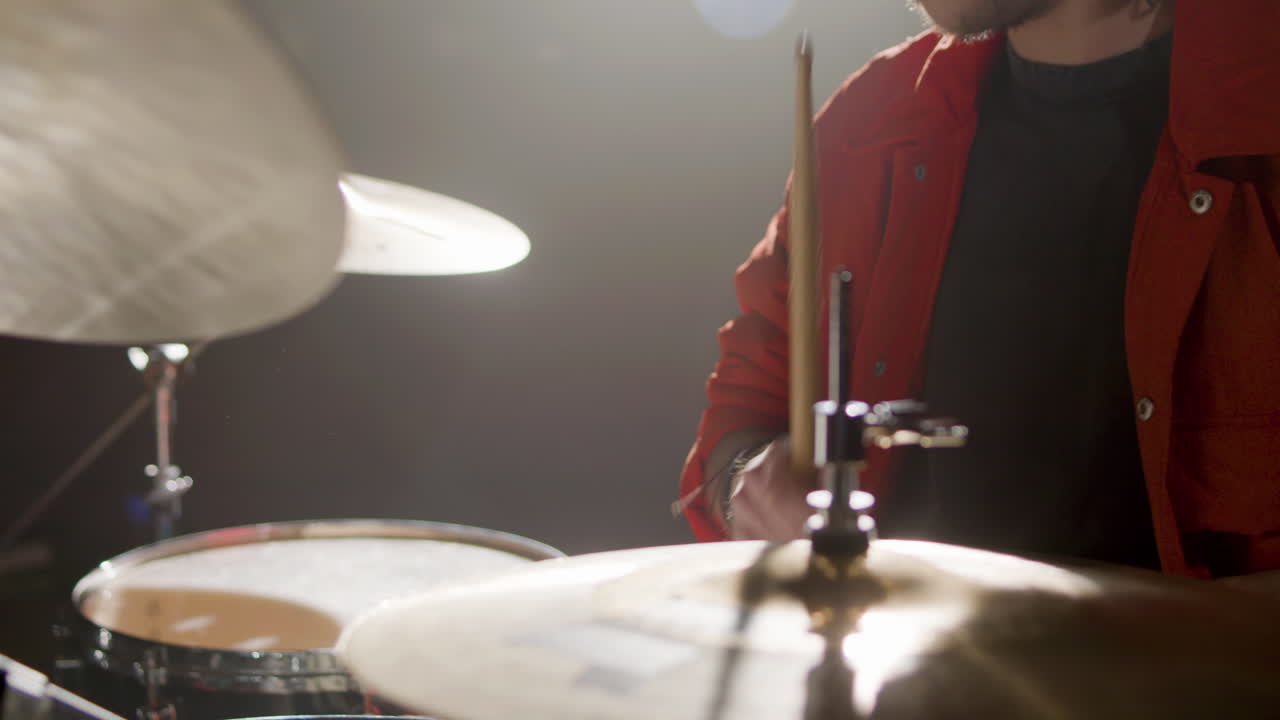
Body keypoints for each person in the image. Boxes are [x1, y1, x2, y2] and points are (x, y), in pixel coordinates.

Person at [678, 0, 1280, 581]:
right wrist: (747, 482)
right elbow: (744, 410)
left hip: (1189, 682)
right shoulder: (867, 124)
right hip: (913, 672)